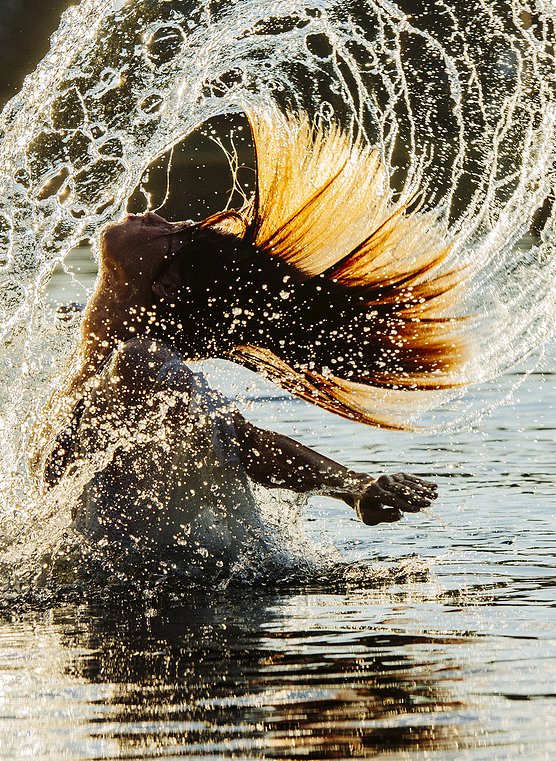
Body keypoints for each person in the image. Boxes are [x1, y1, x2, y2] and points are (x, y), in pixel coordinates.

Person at [40, 106, 471, 575]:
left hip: (145, 607)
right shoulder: (100, 353)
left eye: (176, 234)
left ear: (165, 287)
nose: (160, 217)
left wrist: (354, 488)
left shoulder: (141, 362)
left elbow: (245, 443)